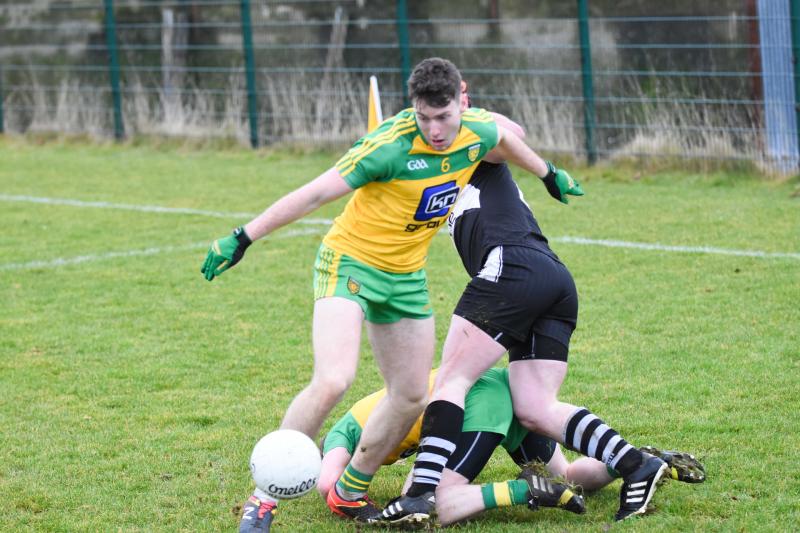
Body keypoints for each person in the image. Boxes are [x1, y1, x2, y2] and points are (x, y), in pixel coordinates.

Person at [200, 57, 583, 532]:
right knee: (334, 378)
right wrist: (243, 236)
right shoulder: (387, 147)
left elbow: (506, 139)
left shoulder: (476, 130)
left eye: (444, 117)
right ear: (413, 108)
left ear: (460, 105)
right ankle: (262, 500)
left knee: (410, 395)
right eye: (424, 117)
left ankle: (348, 492)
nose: (435, 129)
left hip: (405, 278)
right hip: (350, 263)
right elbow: (315, 193)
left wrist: (548, 173)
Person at [380, 157, 672, 525]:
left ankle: (420, 494)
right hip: (552, 277)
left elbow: (506, 132)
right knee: (535, 407)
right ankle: (636, 464)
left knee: (452, 379)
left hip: (510, 267)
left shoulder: (472, 146)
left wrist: (547, 172)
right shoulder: (434, 177)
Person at [317, 367, 704, 526]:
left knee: (423, 503)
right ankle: (638, 461)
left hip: (480, 401)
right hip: (499, 385)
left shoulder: (341, 435)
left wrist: (352, 499)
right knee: (568, 473)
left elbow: (328, 485)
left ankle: (523, 490)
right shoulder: (360, 422)